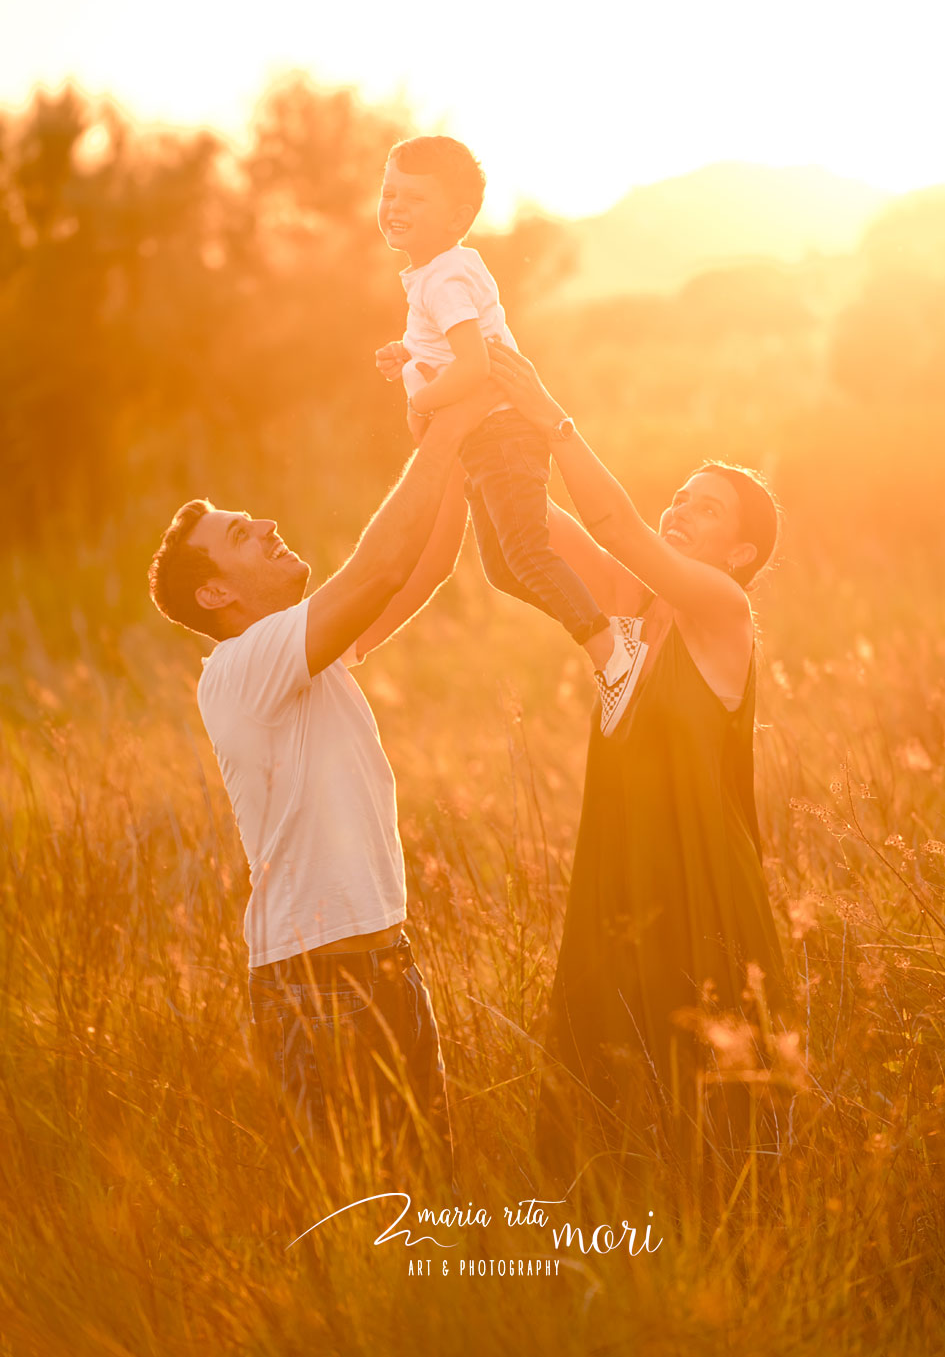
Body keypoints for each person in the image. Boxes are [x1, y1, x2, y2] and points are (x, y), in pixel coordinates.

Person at [147, 379, 493, 1191]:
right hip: (316, 990)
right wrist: (443, 432)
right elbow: (375, 572)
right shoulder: (242, 667)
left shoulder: (308, 653)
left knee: (423, 1204)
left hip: (389, 973)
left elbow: (428, 564)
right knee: (356, 1219)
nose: (266, 523)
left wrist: (461, 448)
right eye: (240, 533)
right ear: (217, 592)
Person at [487, 341, 792, 1183]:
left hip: (702, 894)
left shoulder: (722, 609)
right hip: (617, 890)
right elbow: (522, 536)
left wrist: (552, 418)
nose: (681, 510)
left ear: (738, 554)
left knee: (714, 1134)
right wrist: (466, 418)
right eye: (680, 497)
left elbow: (614, 524)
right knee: (614, 1111)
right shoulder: (629, 608)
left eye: (707, 509)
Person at [375, 135, 645, 736]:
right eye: (390, 191)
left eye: (414, 197)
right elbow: (451, 348)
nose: (395, 205)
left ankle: (614, 655)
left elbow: (472, 366)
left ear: (457, 217)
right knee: (502, 568)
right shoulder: (437, 274)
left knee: (526, 552)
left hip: (501, 433)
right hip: (491, 437)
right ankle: (610, 627)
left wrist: (421, 395)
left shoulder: (443, 281)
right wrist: (410, 354)